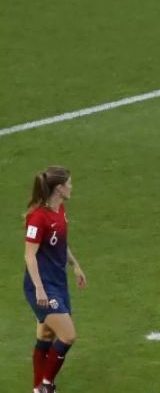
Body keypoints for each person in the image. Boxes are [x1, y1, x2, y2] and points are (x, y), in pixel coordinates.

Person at [23, 166, 86, 393]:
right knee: (68, 335)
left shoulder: (60, 210)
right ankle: (47, 386)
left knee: (46, 335)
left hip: (58, 282)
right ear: (59, 188)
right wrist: (39, 289)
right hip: (41, 285)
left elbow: (61, 242)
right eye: (68, 184)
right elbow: (29, 256)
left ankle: (37, 388)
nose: (71, 187)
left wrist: (75, 265)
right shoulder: (38, 218)